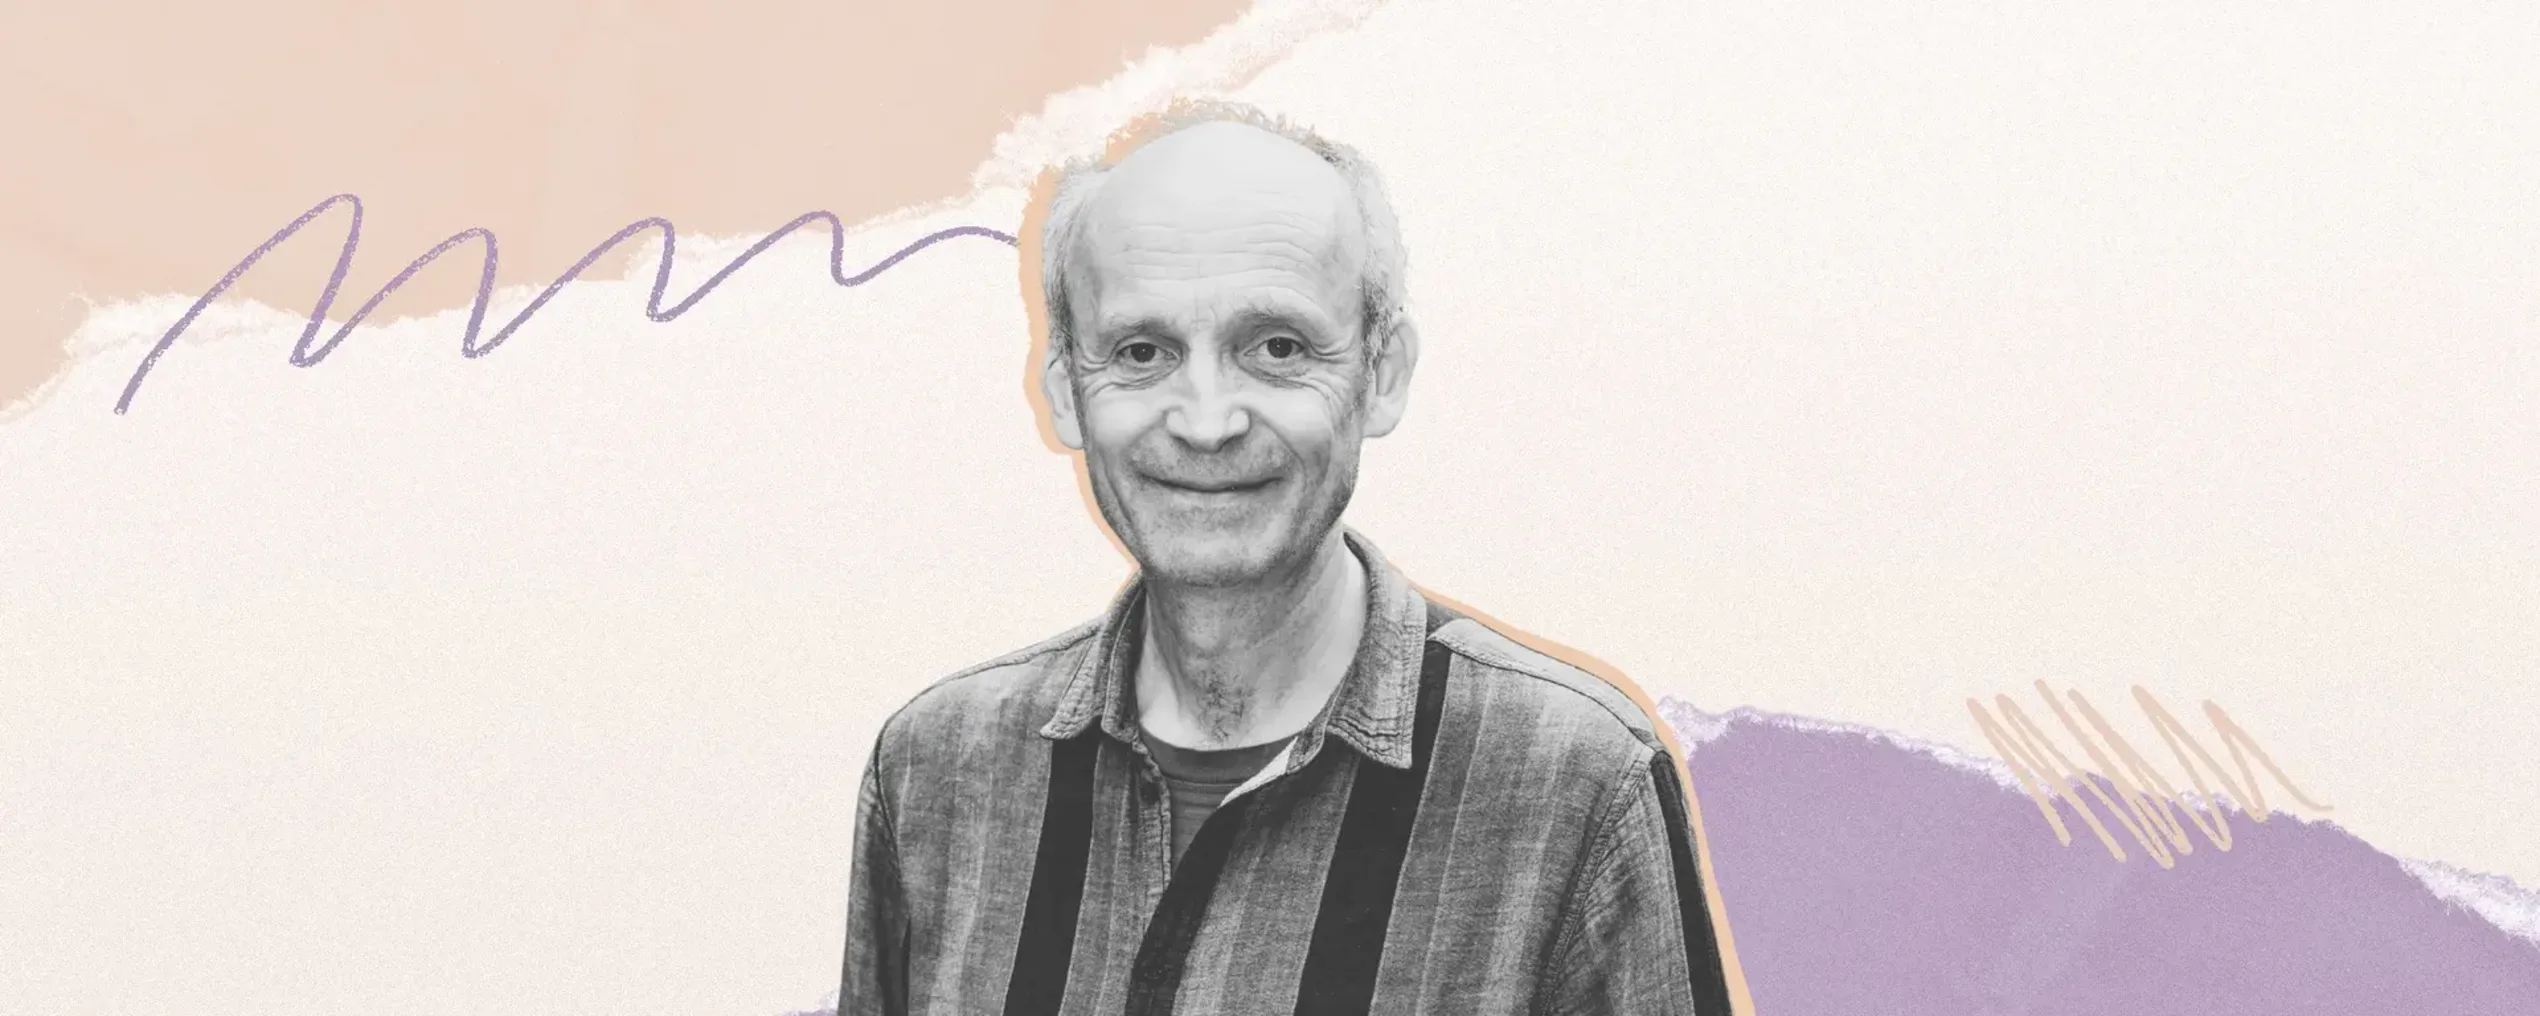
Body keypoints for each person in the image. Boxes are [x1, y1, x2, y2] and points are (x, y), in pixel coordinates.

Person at [840, 100, 1736, 1016]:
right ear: (1067, 392)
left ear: (1382, 373)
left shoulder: (1575, 786)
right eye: (1142, 351)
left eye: (1276, 347)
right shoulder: (935, 770)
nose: (1206, 421)